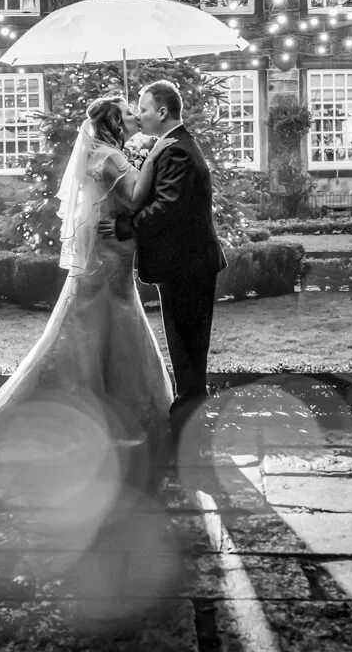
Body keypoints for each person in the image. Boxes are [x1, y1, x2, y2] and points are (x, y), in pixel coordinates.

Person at [0, 95, 178, 474]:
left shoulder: (104, 154)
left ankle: (104, 412)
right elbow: (136, 195)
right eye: (128, 112)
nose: (134, 116)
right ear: (115, 123)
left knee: (98, 328)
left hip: (110, 254)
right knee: (108, 326)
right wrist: (152, 161)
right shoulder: (111, 158)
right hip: (110, 259)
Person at [115, 79, 227, 439]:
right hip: (187, 262)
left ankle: (189, 418)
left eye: (143, 109)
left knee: (187, 343)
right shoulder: (173, 144)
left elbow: (167, 207)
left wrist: (127, 223)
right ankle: (191, 412)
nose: (139, 115)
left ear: (162, 112)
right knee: (187, 344)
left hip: (187, 264)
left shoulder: (176, 149)